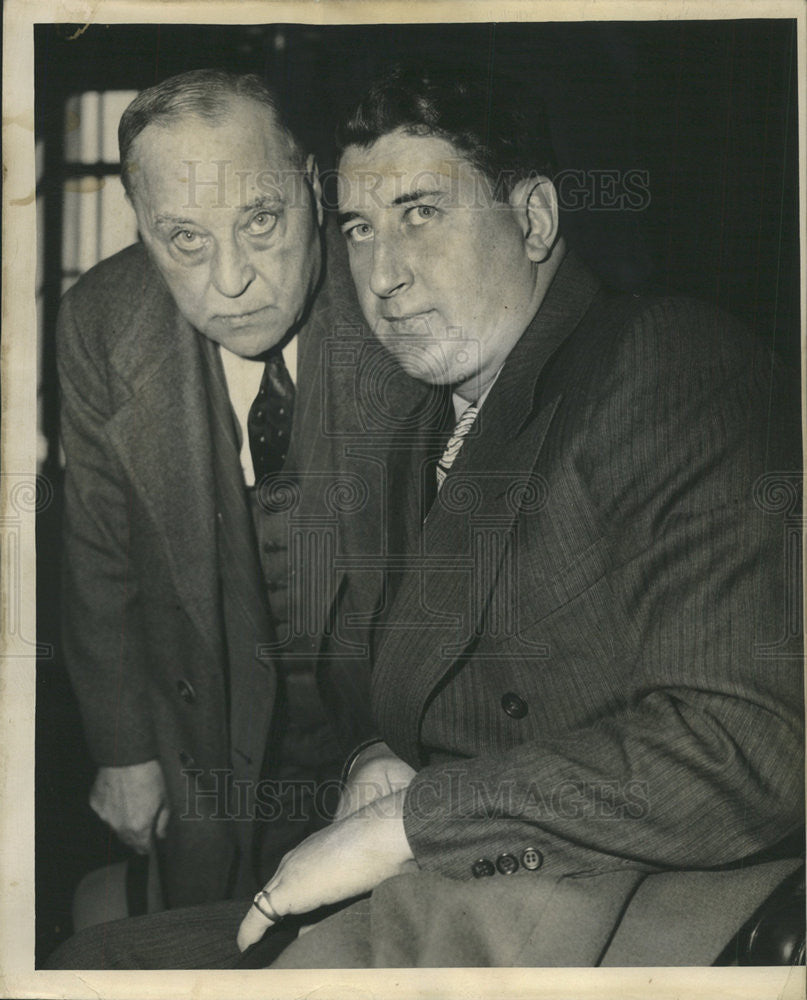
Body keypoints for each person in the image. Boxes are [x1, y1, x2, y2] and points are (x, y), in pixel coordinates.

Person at [49, 61, 803, 968]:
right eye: (363, 228)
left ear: (532, 219)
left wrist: (407, 822)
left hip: (587, 908)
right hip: (455, 881)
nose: (384, 276)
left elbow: (752, 743)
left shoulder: (661, 360)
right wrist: (380, 751)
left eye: (422, 213)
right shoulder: (437, 417)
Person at [56, 68, 419, 913]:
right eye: (184, 238)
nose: (231, 281)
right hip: (207, 723)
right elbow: (98, 556)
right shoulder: (101, 326)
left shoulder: (402, 296)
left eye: (260, 221)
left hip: (396, 720)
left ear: (313, 187)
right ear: (142, 230)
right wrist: (122, 749)